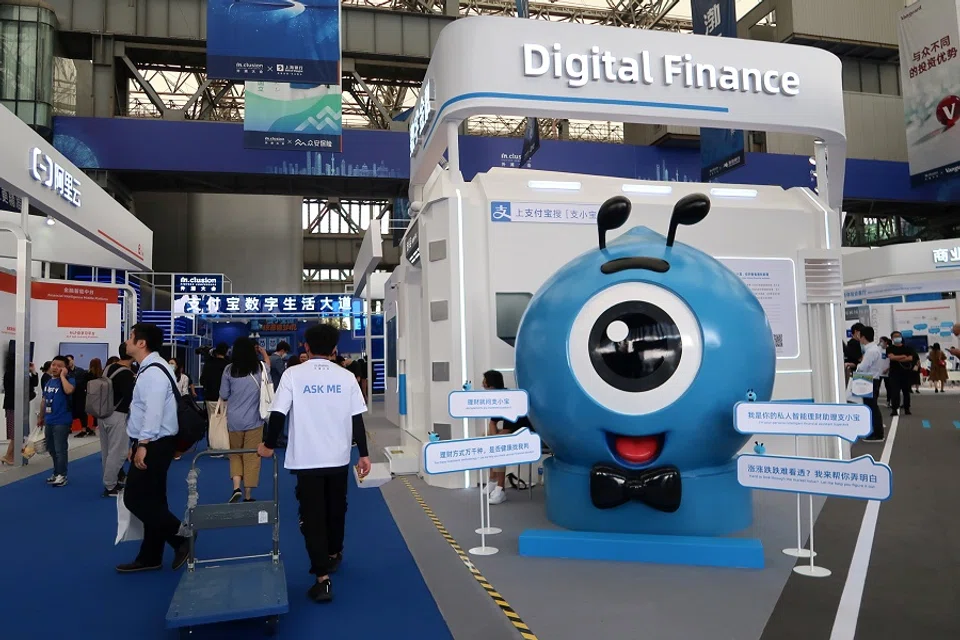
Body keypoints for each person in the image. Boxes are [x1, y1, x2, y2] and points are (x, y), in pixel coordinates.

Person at [258, 323, 371, 603]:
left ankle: (322, 578)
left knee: (313, 516)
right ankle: (334, 553)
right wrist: (364, 454)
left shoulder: (293, 374)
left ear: (306, 347)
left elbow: (278, 415)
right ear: (334, 349)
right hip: (339, 457)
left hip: (307, 459)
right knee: (337, 508)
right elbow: (357, 418)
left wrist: (268, 445)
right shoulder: (346, 377)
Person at [116, 323, 190, 574]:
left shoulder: (154, 373)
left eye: (130, 337)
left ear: (141, 343)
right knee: (154, 500)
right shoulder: (150, 369)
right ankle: (150, 555)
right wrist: (136, 441)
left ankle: (182, 537)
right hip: (151, 441)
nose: (126, 341)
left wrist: (143, 443)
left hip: (156, 443)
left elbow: (154, 411)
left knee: (135, 498)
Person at [220, 337, 269, 503]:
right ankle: (248, 494)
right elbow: (268, 380)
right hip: (255, 419)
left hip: (234, 420)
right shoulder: (260, 368)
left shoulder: (229, 370)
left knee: (235, 454)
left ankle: (236, 488)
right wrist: (263, 354)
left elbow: (224, 394)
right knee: (252, 456)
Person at [480, 370, 533, 504]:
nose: (482, 383)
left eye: (484, 381)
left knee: (498, 445)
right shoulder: (497, 398)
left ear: (490, 385)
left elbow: (508, 429)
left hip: (526, 433)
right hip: (510, 431)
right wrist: (492, 438)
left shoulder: (509, 399)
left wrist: (495, 440)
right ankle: (493, 479)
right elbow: (493, 422)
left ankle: (500, 488)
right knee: (486, 438)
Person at [99, 344, 136, 497]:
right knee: (118, 452)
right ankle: (110, 485)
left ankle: (112, 480)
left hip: (103, 413)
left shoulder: (109, 368)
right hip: (118, 415)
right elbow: (130, 397)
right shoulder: (127, 374)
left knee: (107, 451)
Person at [37, 356, 75, 486]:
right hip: (49, 420)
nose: (55, 368)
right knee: (51, 448)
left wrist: (63, 377)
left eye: (59, 366)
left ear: (65, 368)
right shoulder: (48, 382)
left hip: (62, 420)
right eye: (53, 364)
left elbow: (69, 390)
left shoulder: (69, 380)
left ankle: (62, 474)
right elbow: (44, 400)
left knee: (60, 449)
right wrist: (41, 417)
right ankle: (56, 472)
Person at [3, 352, 38, 466]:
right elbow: (30, 385)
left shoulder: (14, 372)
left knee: (17, 432)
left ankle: (11, 455)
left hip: (15, 405)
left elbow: (33, 383)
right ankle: (9, 456)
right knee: (16, 433)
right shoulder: (15, 373)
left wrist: (33, 372)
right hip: (15, 406)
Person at [853, 327, 885, 442]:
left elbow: (863, 367)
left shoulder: (871, 351)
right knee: (872, 406)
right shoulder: (875, 349)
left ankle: (877, 433)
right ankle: (876, 431)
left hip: (868, 380)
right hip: (873, 379)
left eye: (859, 336)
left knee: (871, 407)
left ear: (863, 337)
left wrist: (856, 368)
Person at [886, 331, 918, 416]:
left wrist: (897, 358)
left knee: (906, 391)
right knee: (895, 392)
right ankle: (894, 409)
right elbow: (891, 357)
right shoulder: (890, 348)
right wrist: (903, 356)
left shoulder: (908, 348)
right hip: (894, 373)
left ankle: (907, 408)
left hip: (906, 373)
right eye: (895, 336)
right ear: (892, 339)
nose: (897, 338)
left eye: (899, 336)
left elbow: (910, 358)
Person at [66, 355, 95, 438]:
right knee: (69, 411)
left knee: (82, 412)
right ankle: (69, 427)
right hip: (69, 395)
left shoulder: (80, 371)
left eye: (70, 360)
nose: (69, 362)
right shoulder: (65, 372)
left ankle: (84, 429)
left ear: (73, 360)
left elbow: (85, 381)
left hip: (80, 394)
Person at [199, 343, 229, 419]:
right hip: (225, 399)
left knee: (213, 423)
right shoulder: (228, 366)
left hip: (210, 398)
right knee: (225, 423)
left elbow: (202, 380)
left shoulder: (208, 364)